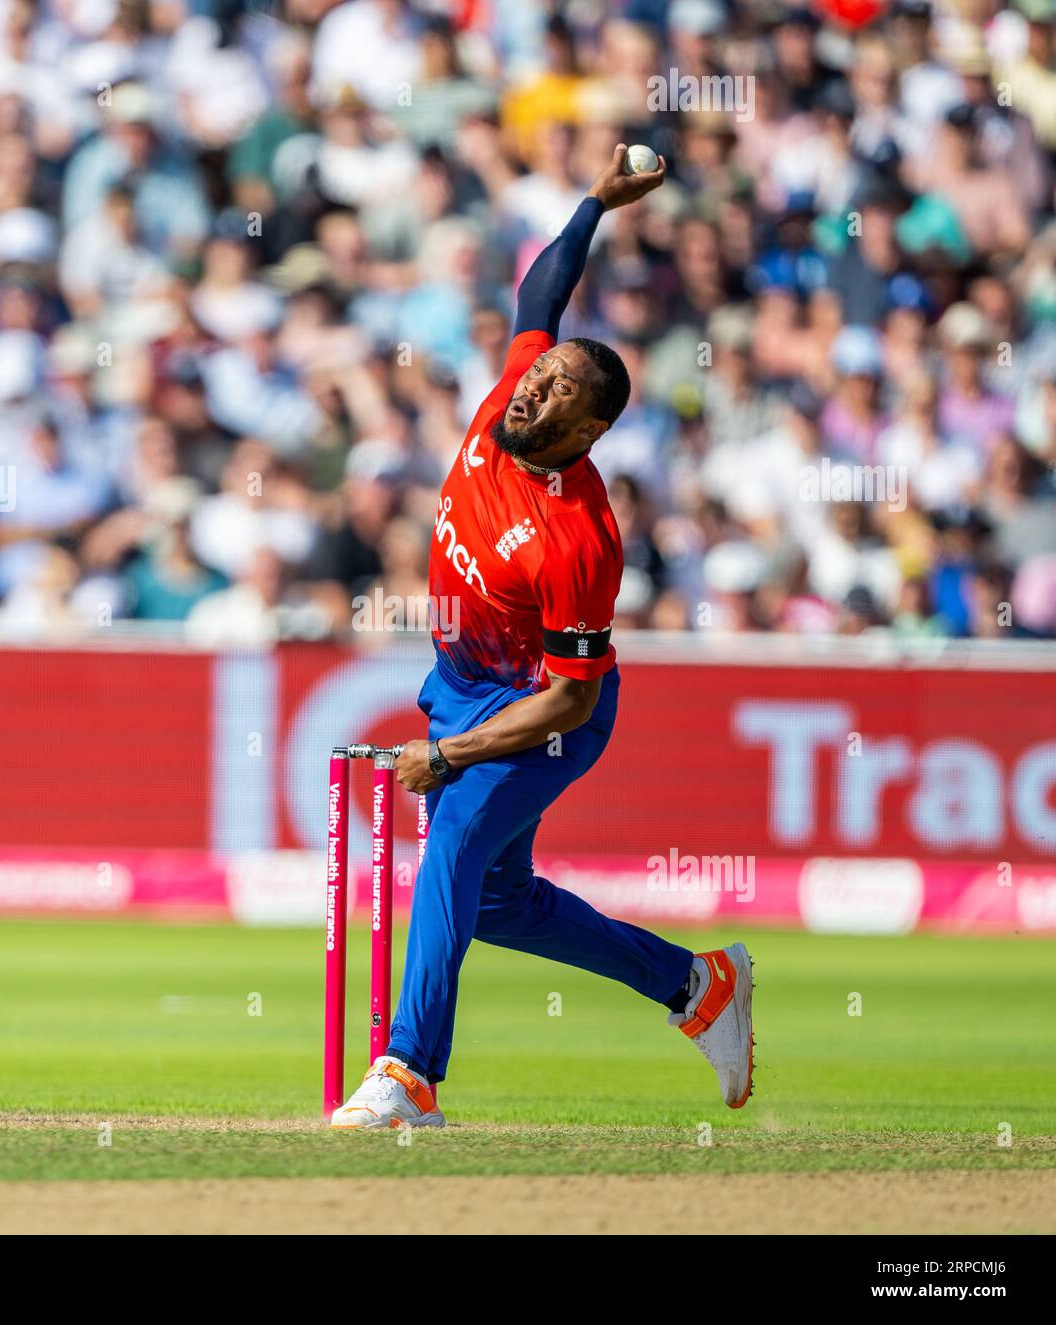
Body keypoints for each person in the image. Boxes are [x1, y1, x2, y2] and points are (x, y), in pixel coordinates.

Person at [330, 146, 755, 1129]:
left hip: (544, 714)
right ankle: (695, 985)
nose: (535, 387)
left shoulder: (581, 535)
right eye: (542, 374)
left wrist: (450, 752)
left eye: (562, 389)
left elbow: (568, 695)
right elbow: (542, 291)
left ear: (591, 427)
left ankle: (408, 1074)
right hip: (459, 682)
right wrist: (593, 204)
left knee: (448, 856)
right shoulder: (511, 383)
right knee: (496, 902)